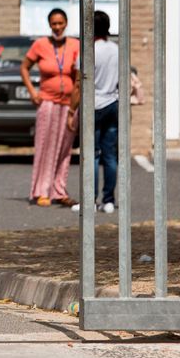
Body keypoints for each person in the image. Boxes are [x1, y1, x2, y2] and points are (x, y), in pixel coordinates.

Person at [20, 8, 81, 207]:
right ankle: (41, 191)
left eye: (60, 23)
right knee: (45, 147)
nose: (57, 27)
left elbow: (80, 74)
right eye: (54, 24)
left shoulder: (75, 45)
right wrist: (32, 92)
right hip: (47, 102)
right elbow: (24, 67)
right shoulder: (41, 44)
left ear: (66, 23)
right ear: (49, 25)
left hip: (69, 104)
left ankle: (59, 190)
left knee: (65, 149)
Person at [71, 11, 119, 214]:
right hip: (113, 103)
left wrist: (71, 110)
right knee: (110, 155)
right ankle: (108, 200)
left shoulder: (89, 51)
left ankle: (90, 200)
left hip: (94, 105)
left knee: (91, 154)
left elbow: (79, 84)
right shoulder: (116, 49)